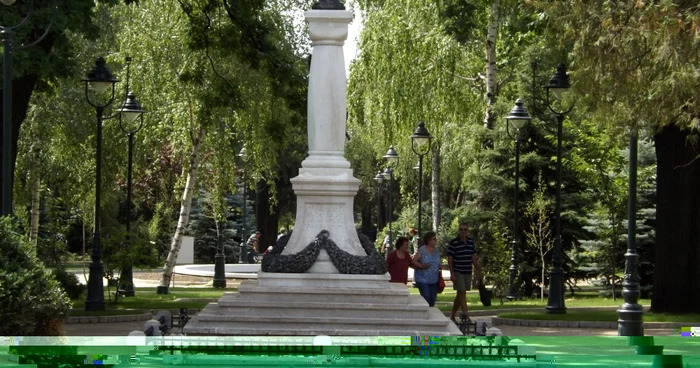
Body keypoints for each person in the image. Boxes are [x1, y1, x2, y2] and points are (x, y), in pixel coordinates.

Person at [447, 222, 482, 323]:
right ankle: (466, 315)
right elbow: (450, 258)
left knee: (460, 294)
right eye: (461, 229)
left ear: (467, 231)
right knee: (462, 292)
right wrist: (452, 273)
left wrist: (479, 270)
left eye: (465, 229)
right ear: (459, 230)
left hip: (467, 270)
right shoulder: (454, 242)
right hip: (458, 270)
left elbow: (474, 258)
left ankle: (452, 315)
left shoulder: (471, 242)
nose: (463, 231)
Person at [412, 231, 441, 307]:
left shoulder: (436, 251)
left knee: (432, 299)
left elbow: (438, 262)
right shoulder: (422, 250)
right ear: (428, 240)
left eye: (435, 239)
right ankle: (424, 312)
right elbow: (413, 261)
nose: (435, 241)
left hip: (434, 279)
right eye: (433, 239)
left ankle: (430, 315)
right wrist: (421, 266)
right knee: (426, 297)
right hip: (423, 279)